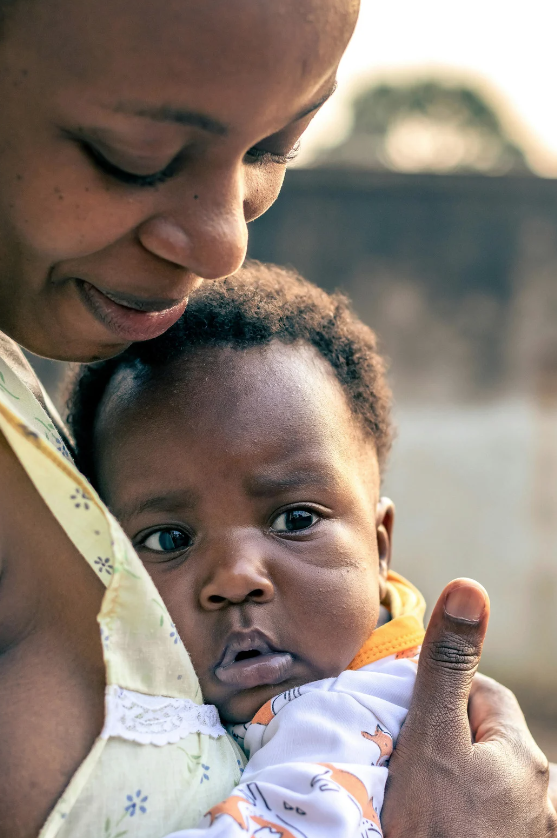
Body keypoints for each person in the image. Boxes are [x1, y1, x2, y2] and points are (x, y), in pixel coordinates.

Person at [0, 0, 553, 836]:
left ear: (379, 545)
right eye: (133, 157)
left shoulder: (354, 716)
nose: (226, 243)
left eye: (274, 148)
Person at [67, 263, 428, 836]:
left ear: (380, 548)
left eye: (296, 519)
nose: (235, 578)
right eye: (169, 539)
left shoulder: (361, 709)